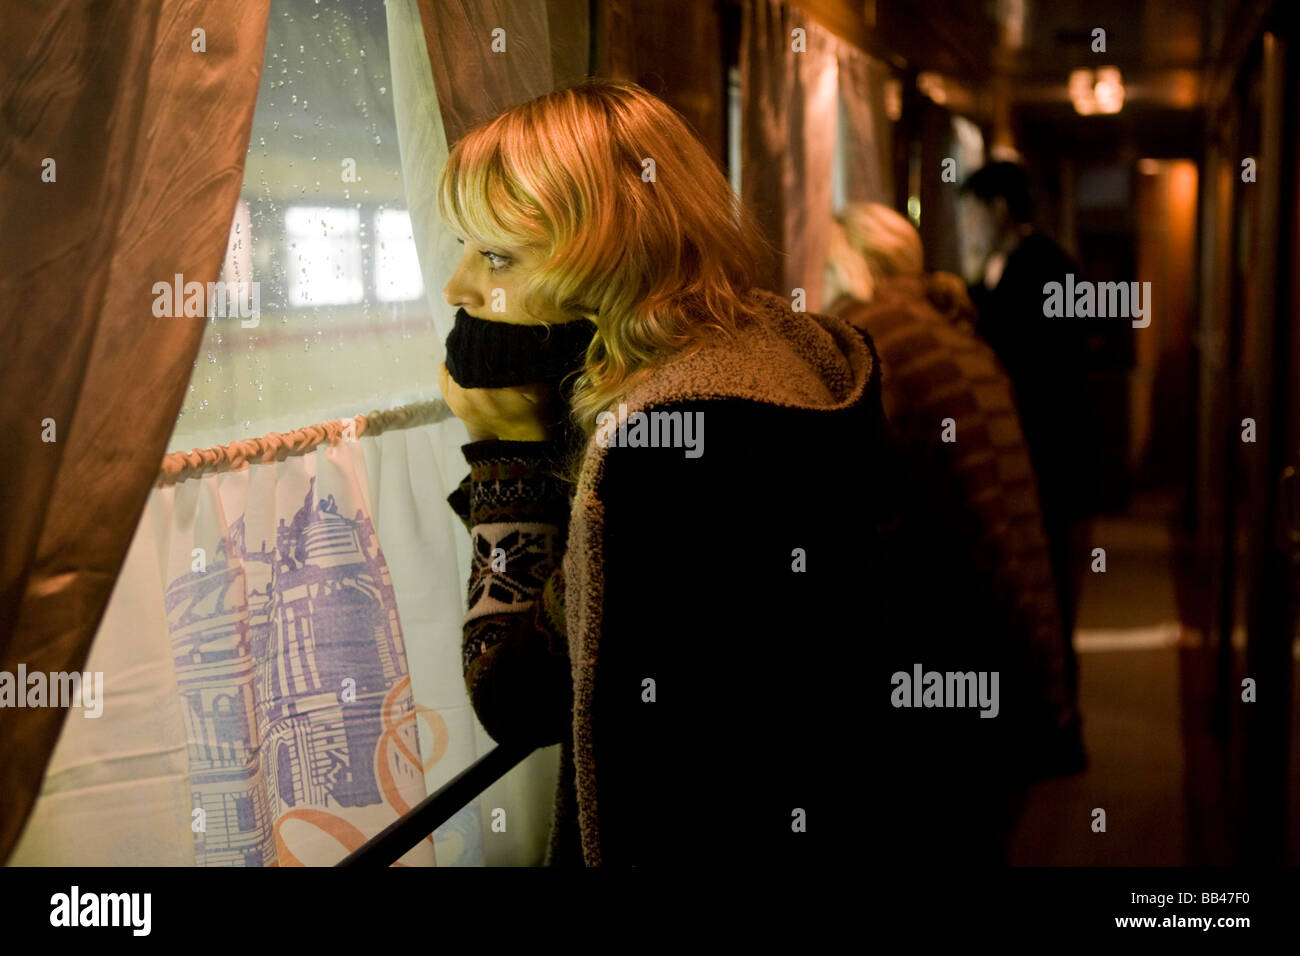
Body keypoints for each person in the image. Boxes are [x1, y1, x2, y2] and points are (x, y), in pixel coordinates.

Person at [435, 80, 891, 866]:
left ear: (612, 258)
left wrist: (502, 451)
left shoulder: (671, 449)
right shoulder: (770, 356)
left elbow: (515, 697)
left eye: (498, 256)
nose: (459, 288)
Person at [826, 203, 1086, 861]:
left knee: (929, 827)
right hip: (988, 621)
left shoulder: (872, 336)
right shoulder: (952, 330)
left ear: (854, 261)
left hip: (933, 619)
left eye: (830, 262)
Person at [959, 162, 1096, 751]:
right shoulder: (1030, 266)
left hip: (1045, 455)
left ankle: (1057, 724)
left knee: (1048, 590)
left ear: (998, 211)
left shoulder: (1038, 270)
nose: (965, 228)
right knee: (1047, 588)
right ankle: (1051, 715)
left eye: (971, 214)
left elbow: (1028, 367)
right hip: (1046, 453)